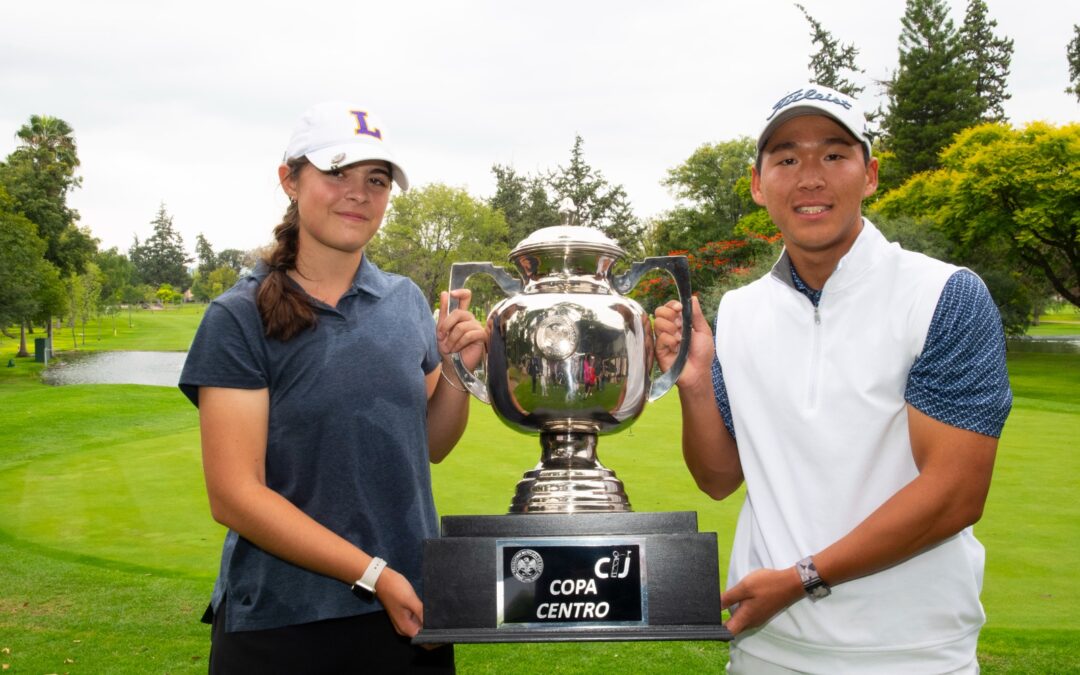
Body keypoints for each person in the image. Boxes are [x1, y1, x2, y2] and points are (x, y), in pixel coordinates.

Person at [654, 84, 1012, 674]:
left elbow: (955, 492)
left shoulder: (943, 294)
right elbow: (718, 477)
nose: (810, 177)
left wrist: (802, 579)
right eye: (787, 158)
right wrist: (694, 381)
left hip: (911, 654)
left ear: (870, 174)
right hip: (767, 650)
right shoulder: (740, 311)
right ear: (757, 182)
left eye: (834, 155)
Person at [179, 101, 486, 673]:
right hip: (284, 623)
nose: (359, 194)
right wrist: (373, 573)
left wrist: (455, 371)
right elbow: (234, 495)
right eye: (336, 173)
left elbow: (430, 446)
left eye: (376, 180)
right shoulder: (238, 316)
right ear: (289, 181)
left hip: (409, 614)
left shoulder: (406, 302)